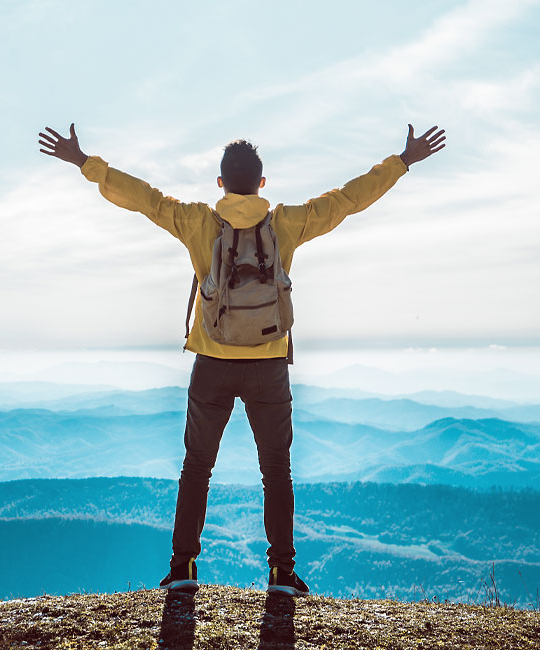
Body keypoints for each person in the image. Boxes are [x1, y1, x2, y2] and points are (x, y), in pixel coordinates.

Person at [37, 123, 446, 597]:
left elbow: (143, 198)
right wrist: (402, 161)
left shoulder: (197, 221)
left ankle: (184, 568)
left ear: (220, 184)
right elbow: (348, 200)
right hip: (269, 365)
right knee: (276, 470)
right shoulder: (287, 223)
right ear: (262, 184)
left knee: (196, 468)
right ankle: (281, 574)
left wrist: (86, 163)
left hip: (211, 361)